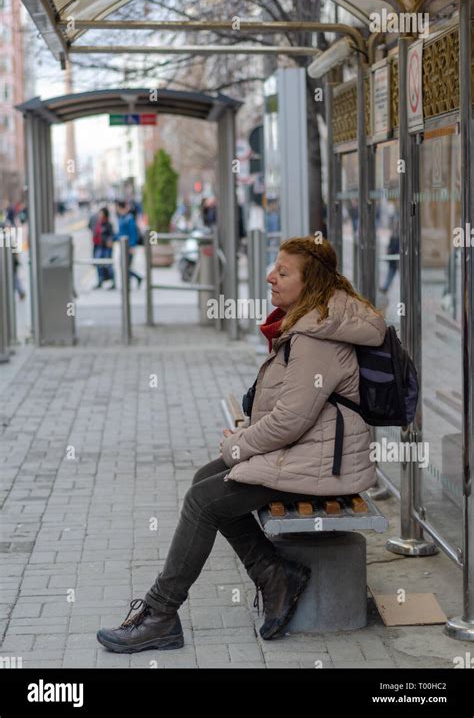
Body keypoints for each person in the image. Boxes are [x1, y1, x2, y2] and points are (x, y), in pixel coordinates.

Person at [96, 236, 387, 654]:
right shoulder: (315, 322)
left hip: (323, 464)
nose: (271, 276)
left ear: (312, 283)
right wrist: (246, 440)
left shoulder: (317, 336)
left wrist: (240, 446)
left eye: (283, 272)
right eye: (275, 267)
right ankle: (273, 575)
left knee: (205, 500)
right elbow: (292, 413)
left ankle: (161, 614)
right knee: (205, 483)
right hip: (312, 450)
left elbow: (290, 421)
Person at [114, 200, 143, 288]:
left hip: (128, 246)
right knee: (123, 265)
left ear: (120, 207)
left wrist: (132, 246)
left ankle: (131, 282)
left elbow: (133, 232)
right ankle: (134, 280)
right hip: (122, 246)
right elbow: (120, 233)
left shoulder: (129, 218)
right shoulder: (121, 218)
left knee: (126, 266)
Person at [90, 207, 115, 289]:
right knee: (98, 263)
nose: (99, 215)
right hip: (98, 246)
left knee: (108, 264)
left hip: (106, 247)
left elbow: (112, 235)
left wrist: (110, 241)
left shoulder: (108, 224)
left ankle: (113, 281)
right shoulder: (98, 223)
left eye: (101, 213)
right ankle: (100, 280)